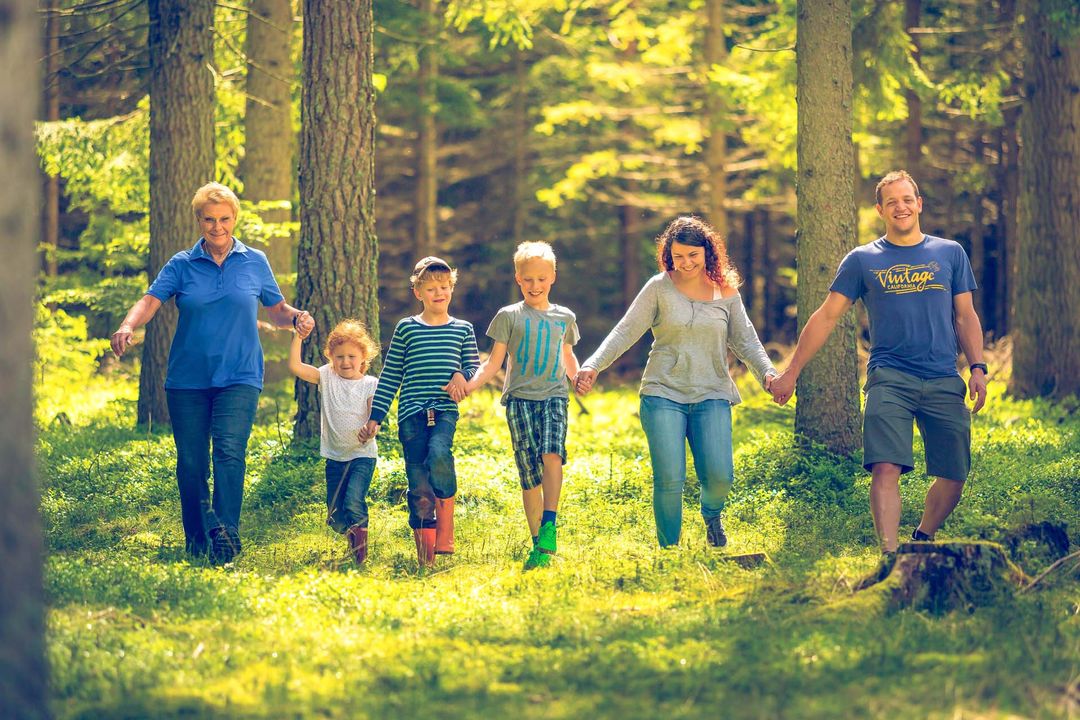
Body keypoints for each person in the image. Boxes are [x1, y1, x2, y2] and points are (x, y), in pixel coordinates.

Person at [769, 170, 988, 555]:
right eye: (892, 202)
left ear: (919, 204)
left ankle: (922, 537)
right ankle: (889, 557)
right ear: (880, 211)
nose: (900, 207)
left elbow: (965, 316)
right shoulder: (862, 260)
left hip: (942, 377)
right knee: (885, 467)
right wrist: (791, 372)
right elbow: (826, 316)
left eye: (907, 199)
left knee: (954, 474)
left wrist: (978, 368)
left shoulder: (950, 253)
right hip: (889, 377)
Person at [111, 182, 314, 563]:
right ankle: (198, 539)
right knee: (191, 463)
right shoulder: (181, 264)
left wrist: (298, 317)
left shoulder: (254, 260)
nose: (217, 226)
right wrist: (127, 326)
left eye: (224, 218)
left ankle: (226, 533)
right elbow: (150, 301)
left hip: (240, 376)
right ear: (199, 221)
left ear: (235, 218)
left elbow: (276, 309)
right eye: (209, 219)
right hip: (188, 380)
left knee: (229, 452)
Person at [576, 216, 777, 548]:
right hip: (662, 393)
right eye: (678, 256)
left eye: (692, 256)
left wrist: (768, 374)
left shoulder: (726, 292)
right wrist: (594, 364)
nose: (685, 263)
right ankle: (669, 552)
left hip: (712, 392)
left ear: (707, 253)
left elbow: (747, 342)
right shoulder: (659, 287)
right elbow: (626, 330)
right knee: (669, 478)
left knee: (720, 477)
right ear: (669, 255)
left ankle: (712, 513)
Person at [465, 241, 581, 570]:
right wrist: (469, 386)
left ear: (553, 277)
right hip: (518, 400)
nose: (535, 286)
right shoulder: (509, 316)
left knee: (552, 453)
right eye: (528, 279)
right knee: (529, 475)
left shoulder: (565, 317)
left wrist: (578, 379)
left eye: (542, 279)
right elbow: (493, 365)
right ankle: (539, 548)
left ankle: (550, 524)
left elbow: (568, 358)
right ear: (518, 278)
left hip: (554, 395)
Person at [359, 257, 480, 567]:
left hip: (443, 409)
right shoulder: (407, 328)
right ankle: (426, 558)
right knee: (418, 484)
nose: (438, 293)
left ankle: (447, 528)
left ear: (452, 288)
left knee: (440, 452)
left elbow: (473, 367)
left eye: (444, 287)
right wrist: (376, 416)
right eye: (430, 288)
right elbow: (390, 375)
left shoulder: (463, 329)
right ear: (418, 293)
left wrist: (461, 376)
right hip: (411, 412)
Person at [288, 319, 380, 564]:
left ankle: (359, 556)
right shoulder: (326, 376)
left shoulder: (370, 384)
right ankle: (350, 536)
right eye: (339, 356)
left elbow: (374, 417)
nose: (345, 362)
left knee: (353, 501)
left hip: (362, 455)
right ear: (330, 357)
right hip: (335, 456)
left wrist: (371, 428)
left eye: (352, 356)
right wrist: (298, 336)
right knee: (336, 516)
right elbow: (295, 366)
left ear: (364, 357)